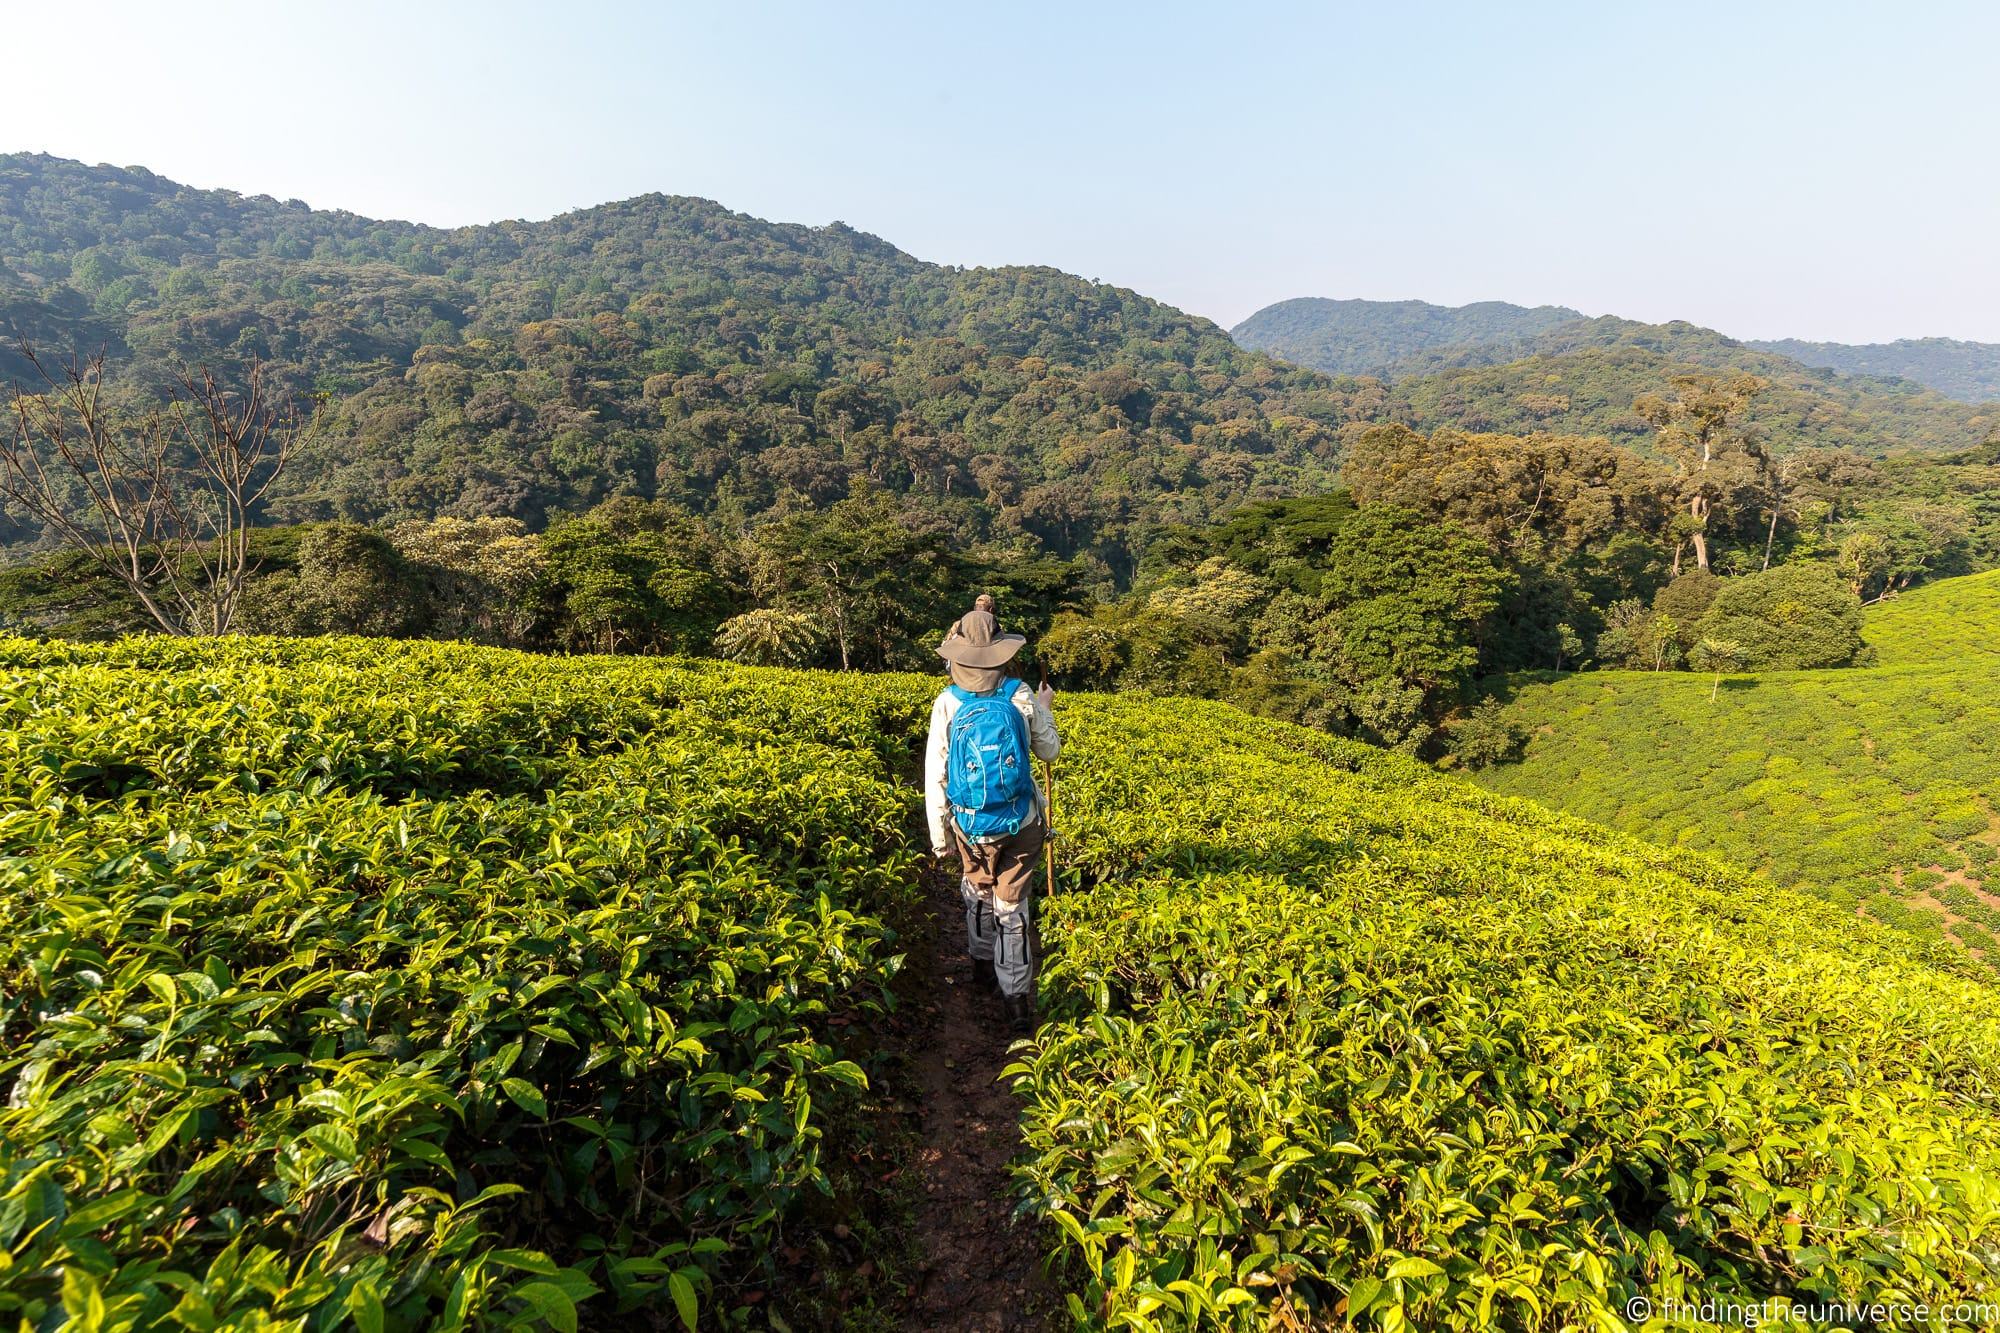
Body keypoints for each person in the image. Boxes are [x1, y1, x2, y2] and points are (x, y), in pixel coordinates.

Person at [925, 596, 1060, 1032]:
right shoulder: (1020, 695)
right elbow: (1050, 751)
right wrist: (1047, 707)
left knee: (979, 890)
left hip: (970, 823)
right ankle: (1016, 1002)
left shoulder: (947, 702)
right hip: (1020, 822)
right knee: (1012, 905)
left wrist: (940, 837)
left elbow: (936, 775)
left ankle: (981, 968)